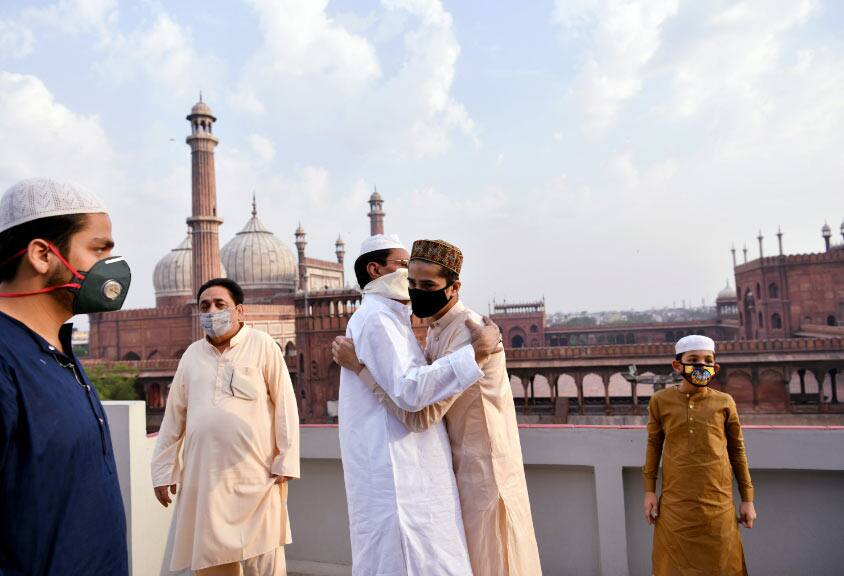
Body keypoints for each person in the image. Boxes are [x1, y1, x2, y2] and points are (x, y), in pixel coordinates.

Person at [333, 239, 542, 576]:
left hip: (484, 473)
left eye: (426, 285)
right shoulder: (430, 329)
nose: (415, 291)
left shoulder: (469, 330)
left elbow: (421, 413)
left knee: (495, 564)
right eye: (412, 281)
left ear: (453, 286)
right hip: (460, 469)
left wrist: (361, 369)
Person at [0, 178, 131, 575]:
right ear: (42, 254)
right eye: (98, 249)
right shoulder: (6, 358)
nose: (112, 267)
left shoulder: (59, 353)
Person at [151, 277, 299, 576]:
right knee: (212, 559)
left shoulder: (262, 346)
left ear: (240, 310)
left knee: (264, 562)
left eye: (220, 304)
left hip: (257, 475)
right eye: (205, 306)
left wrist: (286, 458)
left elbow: (285, 404)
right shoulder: (192, 355)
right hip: (206, 480)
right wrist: (163, 471)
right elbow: (174, 418)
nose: (212, 311)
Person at [643, 334, 757, 576]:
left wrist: (747, 498)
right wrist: (649, 491)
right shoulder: (660, 401)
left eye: (707, 360)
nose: (701, 366)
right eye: (693, 359)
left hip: (718, 505)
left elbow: (737, 451)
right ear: (677, 365)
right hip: (676, 506)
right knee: (671, 567)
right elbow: (654, 446)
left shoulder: (724, 402)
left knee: (725, 566)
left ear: (715, 368)